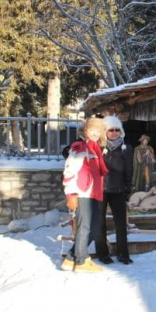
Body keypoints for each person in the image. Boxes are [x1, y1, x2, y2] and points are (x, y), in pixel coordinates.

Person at [61, 117, 108, 273]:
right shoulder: (79, 147)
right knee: (85, 227)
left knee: (94, 228)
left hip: (93, 193)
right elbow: (69, 170)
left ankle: (70, 258)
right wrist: (71, 194)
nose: (95, 133)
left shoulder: (94, 148)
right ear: (85, 130)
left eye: (98, 131)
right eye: (92, 129)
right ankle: (81, 261)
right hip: (82, 192)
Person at [93, 115, 134, 265]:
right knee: (100, 223)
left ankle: (123, 254)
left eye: (117, 130)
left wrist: (127, 188)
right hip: (101, 190)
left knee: (121, 224)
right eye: (111, 130)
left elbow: (129, 169)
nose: (114, 133)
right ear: (105, 131)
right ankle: (103, 254)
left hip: (118, 189)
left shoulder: (126, 148)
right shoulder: (97, 147)